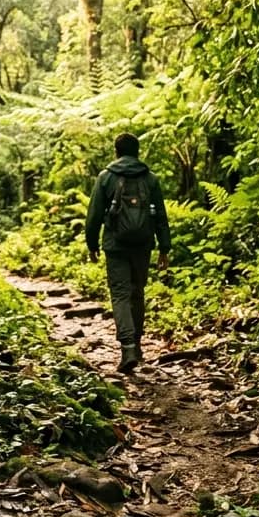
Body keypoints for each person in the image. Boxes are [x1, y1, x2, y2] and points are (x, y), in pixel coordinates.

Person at [85, 132, 171, 374]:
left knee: (120, 294)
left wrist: (91, 244)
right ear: (137, 152)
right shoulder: (150, 179)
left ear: (117, 152)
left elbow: (94, 215)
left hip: (115, 245)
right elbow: (161, 216)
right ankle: (138, 344)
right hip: (143, 244)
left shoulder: (106, 178)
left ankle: (128, 348)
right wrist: (164, 247)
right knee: (137, 292)